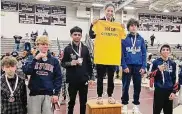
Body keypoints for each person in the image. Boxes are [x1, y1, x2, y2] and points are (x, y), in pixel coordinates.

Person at [89, 3, 126, 104]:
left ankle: (110, 96)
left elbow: (123, 37)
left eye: (112, 11)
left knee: (111, 78)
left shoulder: (117, 25)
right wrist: (92, 24)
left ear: (114, 12)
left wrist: (123, 28)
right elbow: (92, 36)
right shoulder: (99, 22)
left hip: (112, 57)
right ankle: (99, 96)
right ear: (104, 11)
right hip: (101, 55)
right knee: (100, 78)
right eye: (108, 10)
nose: (110, 12)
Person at [22, 36, 62, 114]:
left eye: (47, 44)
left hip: (48, 94)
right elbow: (27, 71)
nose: (45, 46)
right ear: (37, 45)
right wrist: (36, 59)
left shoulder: (54, 60)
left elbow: (58, 78)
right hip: (34, 93)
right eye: (43, 44)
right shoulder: (31, 58)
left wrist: (56, 93)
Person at [61, 26, 94, 114]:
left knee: (83, 102)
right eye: (75, 34)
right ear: (71, 35)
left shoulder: (85, 48)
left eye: (79, 35)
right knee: (71, 102)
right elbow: (63, 63)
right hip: (72, 81)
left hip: (83, 80)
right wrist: (71, 63)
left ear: (81, 36)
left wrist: (91, 78)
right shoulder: (67, 49)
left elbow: (89, 64)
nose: (77, 36)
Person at [121, 18, 146, 114]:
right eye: (131, 25)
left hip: (138, 66)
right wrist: (124, 66)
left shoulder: (141, 39)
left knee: (137, 87)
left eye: (135, 25)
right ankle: (125, 105)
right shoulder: (124, 39)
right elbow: (121, 54)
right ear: (128, 28)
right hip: (127, 66)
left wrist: (143, 67)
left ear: (137, 27)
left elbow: (144, 54)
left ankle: (136, 105)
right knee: (125, 86)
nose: (134, 27)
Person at [150, 44, 179, 114]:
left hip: (169, 92)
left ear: (170, 52)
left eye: (167, 50)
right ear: (160, 52)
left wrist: (174, 92)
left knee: (168, 112)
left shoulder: (173, 63)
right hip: (159, 91)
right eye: (163, 49)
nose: (165, 51)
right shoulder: (155, 62)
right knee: (156, 111)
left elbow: (175, 79)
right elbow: (150, 75)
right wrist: (158, 70)